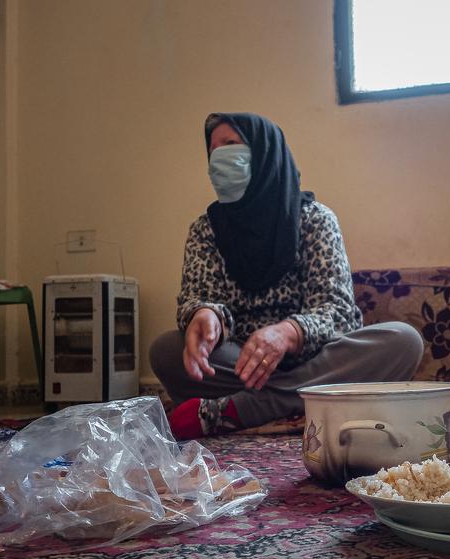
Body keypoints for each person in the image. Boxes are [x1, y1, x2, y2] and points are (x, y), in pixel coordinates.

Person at [150, 112, 424, 438]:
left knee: (403, 341)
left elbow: (335, 311)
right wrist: (205, 315)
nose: (217, 157)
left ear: (265, 152)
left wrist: (287, 333)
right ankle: (299, 397)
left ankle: (240, 408)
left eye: (230, 144)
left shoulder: (315, 219)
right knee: (166, 350)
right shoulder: (206, 229)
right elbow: (198, 297)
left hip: (317, 356)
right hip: (242, 364)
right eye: (212, 149)